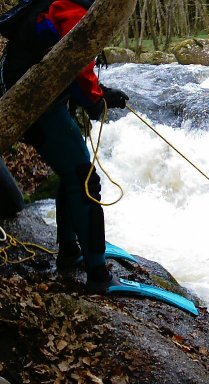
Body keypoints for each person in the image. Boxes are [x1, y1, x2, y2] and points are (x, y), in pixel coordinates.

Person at [0, 0, 129, 293]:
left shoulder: (67, 2)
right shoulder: (74, 6)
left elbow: (70, 63)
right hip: (33, 101)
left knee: (72, 174)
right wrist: (96, 101)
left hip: (31, 91)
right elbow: (77, 61)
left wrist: (102, 94)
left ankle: (70, 250)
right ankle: (98, 273)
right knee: (85, 179)